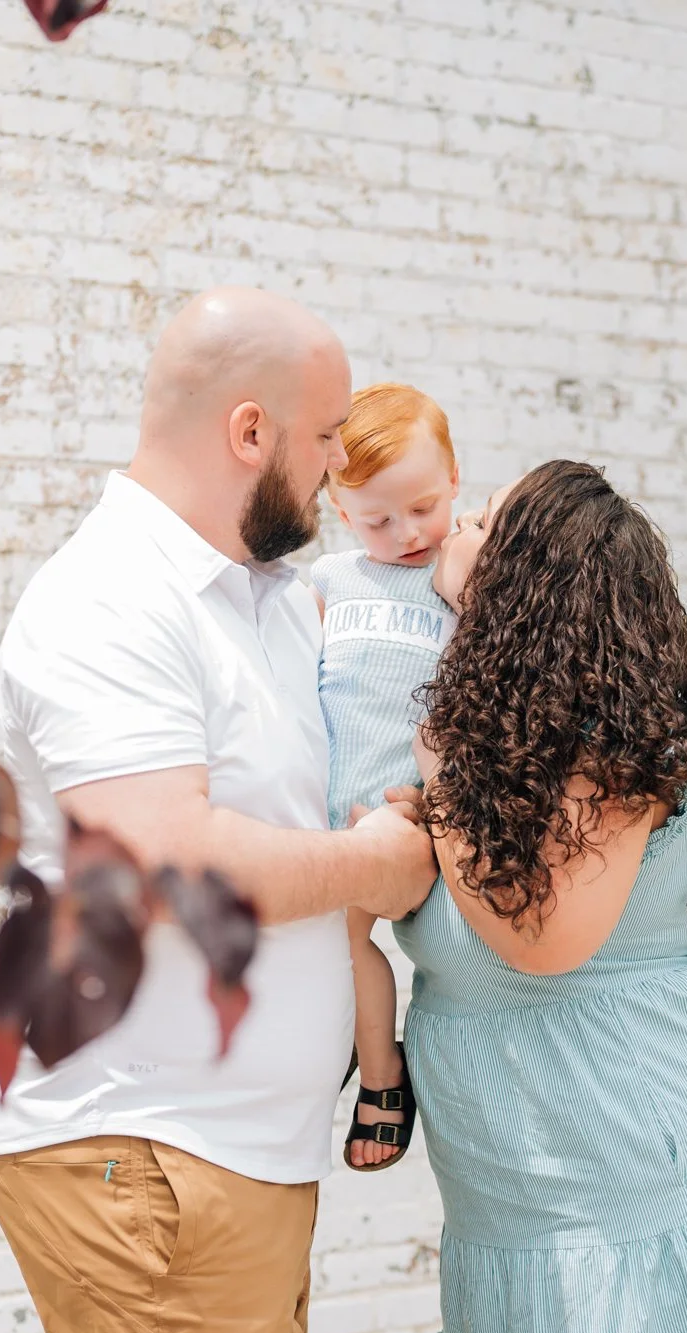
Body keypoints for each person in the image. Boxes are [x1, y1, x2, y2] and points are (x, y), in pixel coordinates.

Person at [0, 287, 439, 1333]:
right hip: (147, 1161)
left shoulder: (262, 596)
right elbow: (166, 864)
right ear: (250, 432)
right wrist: (370, 862)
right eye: (326, 436)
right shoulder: (107, 599)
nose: (338, 465)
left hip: (223, 1162)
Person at [394, 460, 687, 1333]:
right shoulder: (504, 749)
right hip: (523, 1204)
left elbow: (543, 939)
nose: (460, 520)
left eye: (488, 520)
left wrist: (438, 774)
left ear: (529, 583)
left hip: (634, 1177)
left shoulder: (618, 750)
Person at [303, 382, 461, 1172]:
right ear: (340, 510)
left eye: (423, 507)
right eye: (377, 520)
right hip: (321, 806)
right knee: (318, 941)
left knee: (344, 933)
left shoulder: (461, 582)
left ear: (455, 480)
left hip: (397, 809)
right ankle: (344, 1046)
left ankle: (380, 1073)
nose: (405, 533)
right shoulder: (332, 580)